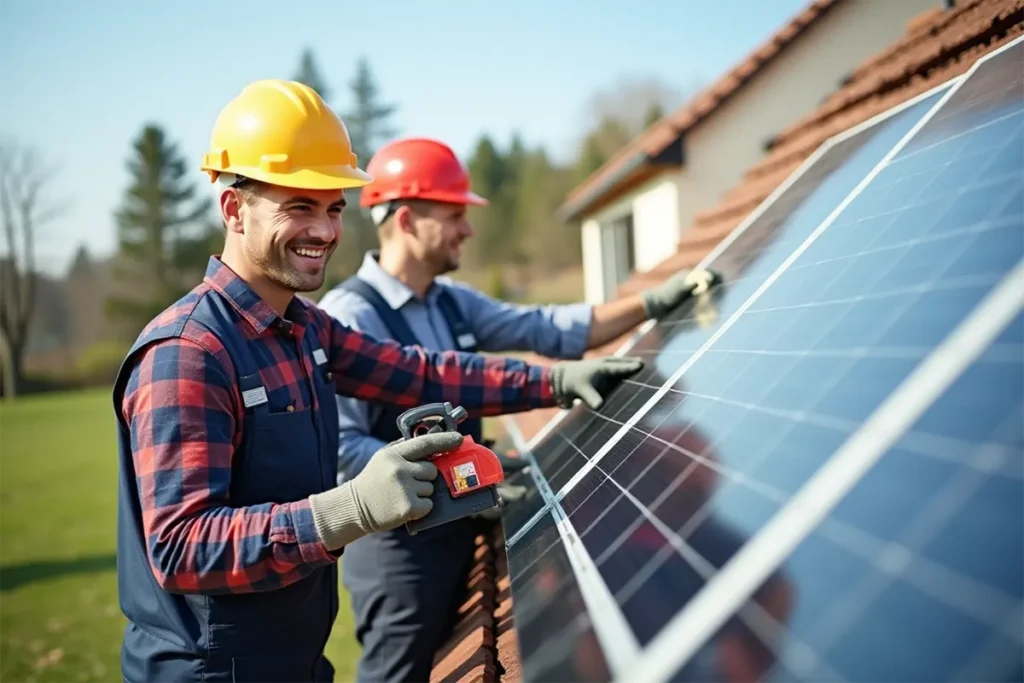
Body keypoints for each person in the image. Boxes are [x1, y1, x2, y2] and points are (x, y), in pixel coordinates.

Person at [111, 80, 645, 683]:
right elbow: (183, 548)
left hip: (297, 657)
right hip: (206, 672)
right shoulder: (188, 353)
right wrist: (353, 507)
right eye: (299, 206)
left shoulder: (304, 328)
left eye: (334, 208)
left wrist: (555, 382)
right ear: (234, 209)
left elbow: (422, 372)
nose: (325, 230)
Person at [316, 136, 721, 683]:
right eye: (455, 214)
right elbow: (341, 450)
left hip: (461, 522)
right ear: (408, 220)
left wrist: (648, 304)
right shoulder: (349, 316)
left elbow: (546, 328)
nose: (467, 229)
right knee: (400, 674)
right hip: (400, 554)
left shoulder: (450, 299)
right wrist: (454, 476)